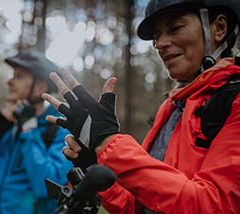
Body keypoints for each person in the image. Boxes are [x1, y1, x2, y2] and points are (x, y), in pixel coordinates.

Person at [42, 0, 240, 213]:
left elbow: (212, 206)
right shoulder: (171, 108)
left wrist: (107, 141)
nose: (160, 44)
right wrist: (95, 164)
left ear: (219, 28)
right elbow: (134, 205)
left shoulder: (234, 102)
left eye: (175, 28)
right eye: (156, 38)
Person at [0, 50, 73, 214]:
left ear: (40, 88)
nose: (9, 81)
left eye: (19, 76)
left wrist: (29, 129)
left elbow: (46, 189)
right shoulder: (11, 127)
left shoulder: (62, 130)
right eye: (12, 75)